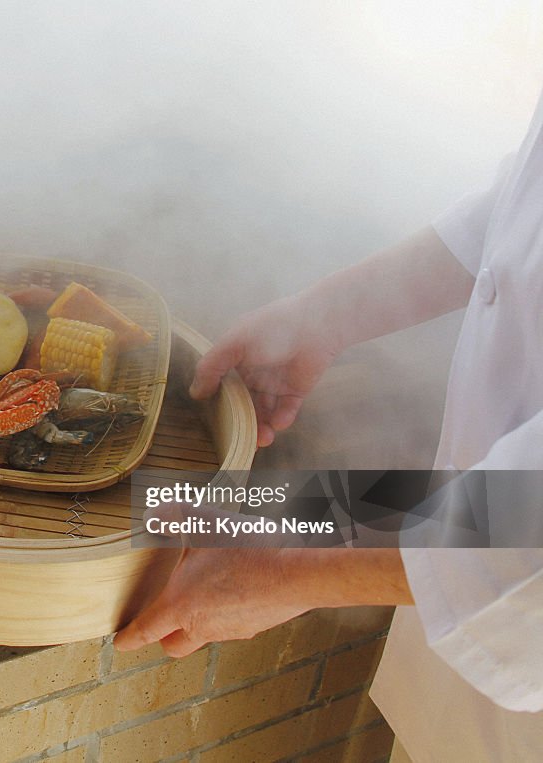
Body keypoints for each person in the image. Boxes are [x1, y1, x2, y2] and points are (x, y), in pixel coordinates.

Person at [114, 87, 543, 760]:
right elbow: (522, 205)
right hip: (460, 544)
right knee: (188, 506)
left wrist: (281, 575)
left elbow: (528, 527)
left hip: (515, 606)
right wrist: (329, 313)